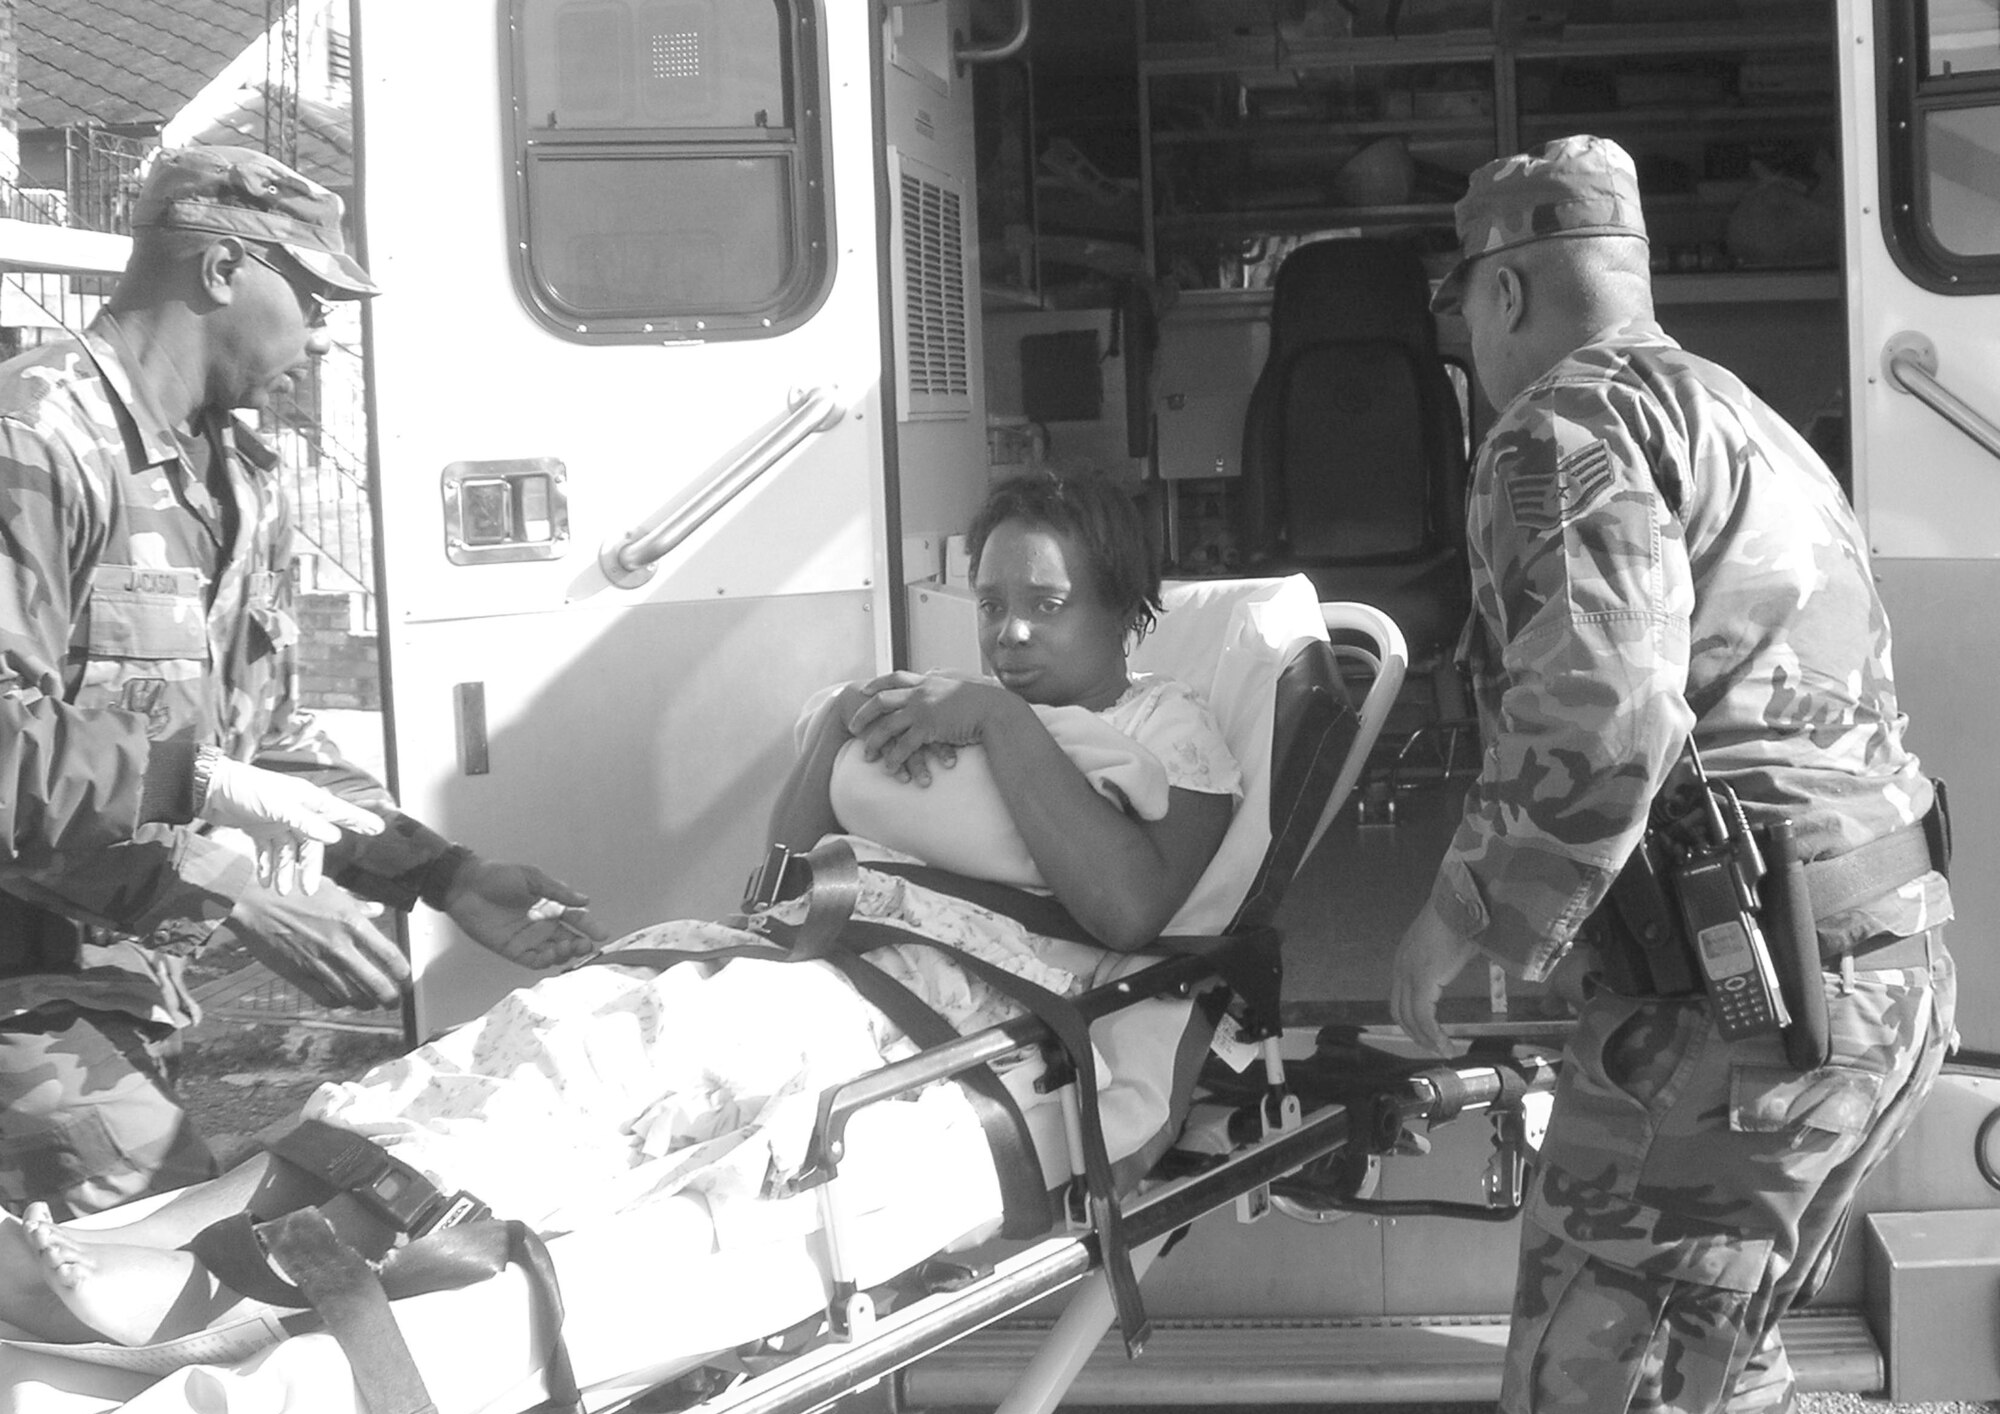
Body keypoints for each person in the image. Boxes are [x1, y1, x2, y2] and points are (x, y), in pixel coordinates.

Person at [0, 465, 1242, 1351]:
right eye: (992, 601)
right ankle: (171, 1229)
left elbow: (1128, 913)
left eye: (1046, 602)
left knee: (597, 1081)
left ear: (1122, 601)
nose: (1011, 630)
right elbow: (785, 866)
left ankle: (216, 1297)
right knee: (517, 1038)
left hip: (940, 1007)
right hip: (800, 952)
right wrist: (833, 735)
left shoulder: (1160, 729)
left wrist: (998, 720)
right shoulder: (947, 701)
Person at [1389, 136, 1955, 1414]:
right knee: (1709, 1360)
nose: (1463, 340)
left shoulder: (1559, 431)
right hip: (1874, 975)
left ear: (1507, 291)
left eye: (1462, 308)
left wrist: (1467, 922)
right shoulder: (1747, 418)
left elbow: (1602, 711)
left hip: (1735, 1015)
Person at [0, 144, 606, 1222]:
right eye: (314, 295)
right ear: (224, 267)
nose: (324, 334)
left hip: (118, 989)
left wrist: (441, 873)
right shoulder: (38, 439)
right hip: (24, 984)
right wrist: (229, 871)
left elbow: (266, 744)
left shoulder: (231, 480)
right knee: (176, 1293)